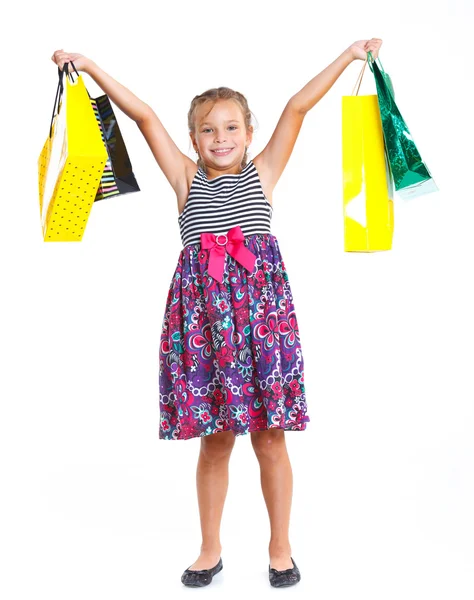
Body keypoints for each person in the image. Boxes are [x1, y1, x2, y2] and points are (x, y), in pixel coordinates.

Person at [51, 37, 383, 589]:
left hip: (262, 326)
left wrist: (350, 56)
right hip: (204, 329)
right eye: (208, 129)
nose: (220, 138)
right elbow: (143, 116)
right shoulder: (186, 180)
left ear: (250, 135)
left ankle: (281, 546)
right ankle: (210, 548)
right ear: (193, 138)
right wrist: (89, 67)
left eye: (232, 127)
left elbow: (298, 105)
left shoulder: (265, 171)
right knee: (215, 441)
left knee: (271, 438)